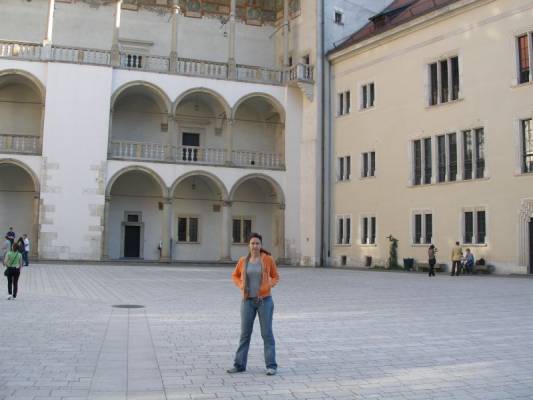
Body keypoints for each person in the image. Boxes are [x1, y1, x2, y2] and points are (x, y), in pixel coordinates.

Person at [227, 232, 280, 376]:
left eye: (257, 243)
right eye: (252, 243)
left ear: (261, 245)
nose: (255, 246)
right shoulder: (243, 261)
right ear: (248, 245)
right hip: (247, 301)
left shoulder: (268, 259)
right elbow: (235, 275)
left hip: (264, 301)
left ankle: (271, 366)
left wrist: (269, 284)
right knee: (245, 334)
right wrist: (241, 285)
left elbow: (275, 276)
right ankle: (239, 365)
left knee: (267, 334)